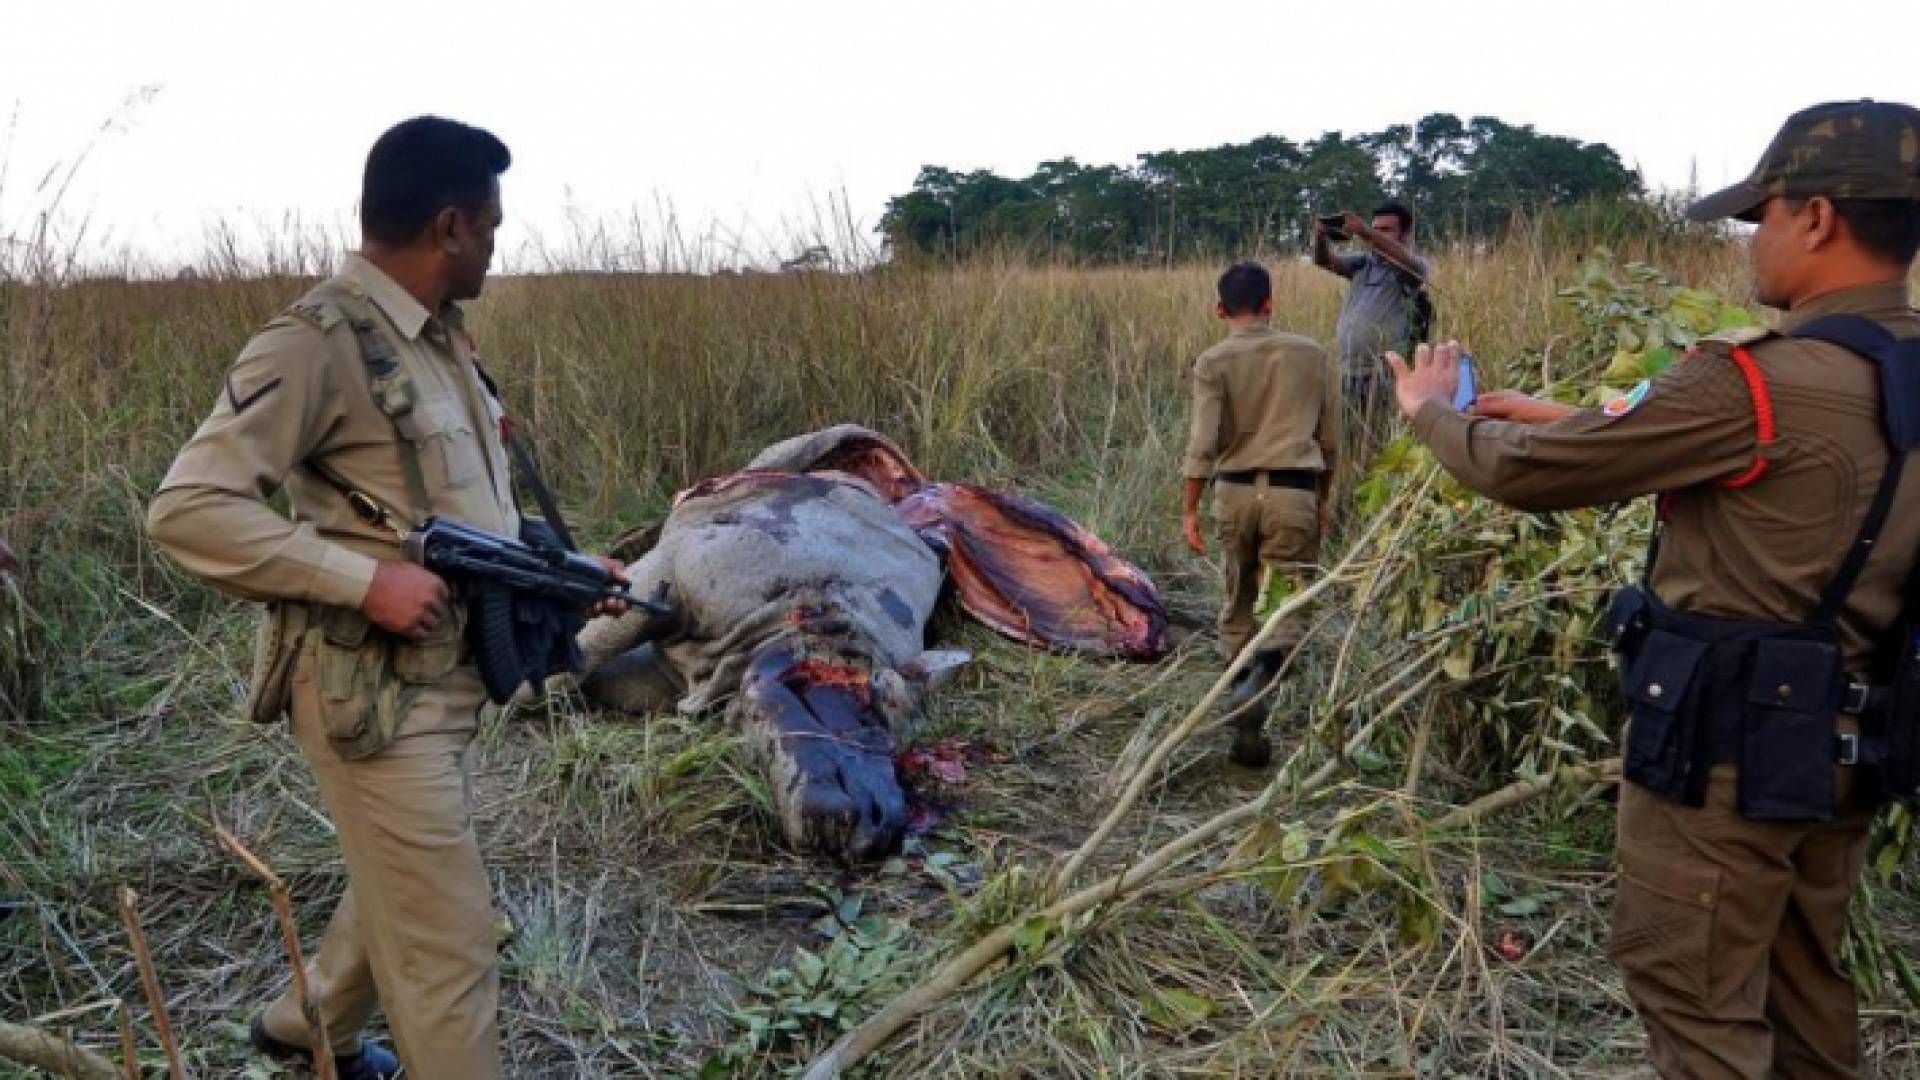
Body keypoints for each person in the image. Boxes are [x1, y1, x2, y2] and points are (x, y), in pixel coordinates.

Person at [1386, 100, 1920, 1077]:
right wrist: (1566, 416)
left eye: (1763, 215)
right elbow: (1782, 469)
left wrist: (1430, 412)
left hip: (1724, 761)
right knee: (1806, 995)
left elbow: (1522, 476)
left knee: (1695, 1000)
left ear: (1818, 218)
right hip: (1846, 745)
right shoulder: (1898, 370)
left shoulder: (1755, 380)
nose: (1753, 240)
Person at [147, 116, 625, 1079]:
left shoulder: (439, 343)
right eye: (491, 224)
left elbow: (456, 518)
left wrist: (566, 574)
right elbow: (187, 510)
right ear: (450, 225)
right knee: (449, 945)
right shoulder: (314, 344)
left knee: (402, 878)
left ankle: (304, 1031)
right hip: (374, 699)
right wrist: (363, 581)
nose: (496, 244)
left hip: (446, 682)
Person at [1181, 262, 1339, 767]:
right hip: (1294, 492)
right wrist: (1323, 499)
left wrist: (1189, 509)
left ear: (1219, 310)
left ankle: (1239, 693)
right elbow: (1330, 442)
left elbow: (1202, 444)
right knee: (1287, 605)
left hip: (1233, 493)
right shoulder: (1312, 355)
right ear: (1270, 303)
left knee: (1238, 599)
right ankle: (1262, 681)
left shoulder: (1212, 362)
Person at [1313, 201, 1432, 458]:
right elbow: (1324, 262)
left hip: (1383, 372)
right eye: (1376, 228)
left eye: (1386, 230)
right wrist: (1321, 238)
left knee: (1382, 442)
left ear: (1405, 234)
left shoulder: (1412, 267)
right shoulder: (1363, 263)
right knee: (1351, 443)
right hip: (1349, 368)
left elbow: (1410, 267)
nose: (1378, 234)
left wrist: (1365, 232)